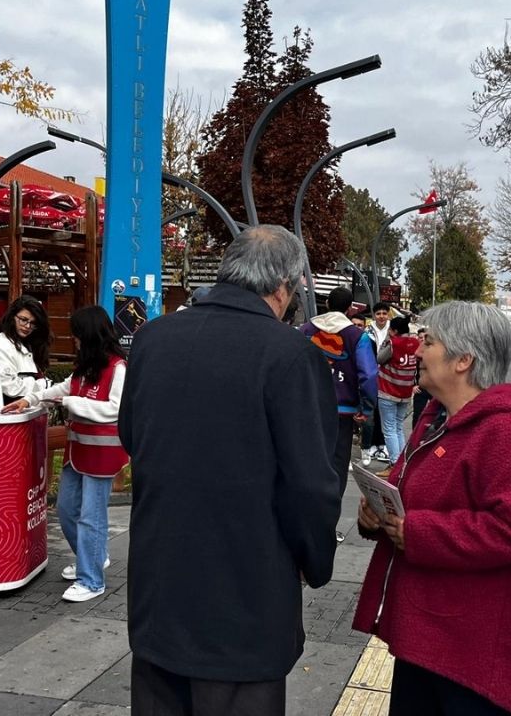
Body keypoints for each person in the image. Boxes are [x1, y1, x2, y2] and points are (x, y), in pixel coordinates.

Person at [119, 225, 342, 716]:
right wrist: (314, 561)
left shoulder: (152, 339)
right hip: (245, 594)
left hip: (161, 587)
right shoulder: (289, 355)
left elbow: (132, 437)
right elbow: (310, 484)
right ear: (284, 286)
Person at [352, 301, 511, 716]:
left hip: (475, 659)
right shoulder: (435, 419)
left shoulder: (509, 433)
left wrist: (417, 533)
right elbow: (401, 488)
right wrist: (376, 514)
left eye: (429, 342)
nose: (416, 351)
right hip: (430, 641)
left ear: (464, 360)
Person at [3, 305, 125, 602]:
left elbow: (115, 409)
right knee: (67, 509)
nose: (75, 341)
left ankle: (91, 579)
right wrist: (30, 399)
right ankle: (94, 556)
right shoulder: (86, 366)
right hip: (78, 450)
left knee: (90, 517)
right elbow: (61, 388)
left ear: (91, 335)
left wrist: (73, 404)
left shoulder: (118, 368)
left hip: (102, 455)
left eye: (78, 335)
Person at [300, 287, 378, 490]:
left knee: (306, 461)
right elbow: (369, 375)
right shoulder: (357, 337)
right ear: (350, 309)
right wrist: (366, 407)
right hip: (342, 412)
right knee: (336, 466)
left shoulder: (306, 330)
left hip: (308, 408)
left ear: (327, 304)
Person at [0, 294, 51, 405]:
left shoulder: (28, 345)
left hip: (21, 414)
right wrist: (43, 385)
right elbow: (9, 386)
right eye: (23, 320)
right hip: (2, 415)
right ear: (12, 316)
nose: (27, 326)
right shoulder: (0, 344)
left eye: (33, 323)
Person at [376, 316, 418, 466]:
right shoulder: (415, 343)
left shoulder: (393, 343)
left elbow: (380, 358)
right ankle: (402, 462)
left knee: (389, 429)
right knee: (398, 427)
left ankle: (395, 463)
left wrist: (387, 340)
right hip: (405, 392)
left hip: (388, 390)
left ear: (393, 331)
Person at [361, 302, 393, 464]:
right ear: (374, 315)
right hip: (371, 375)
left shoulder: (392, 331)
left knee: (384, 410)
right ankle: (372, 444)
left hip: (387, 377)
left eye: (384, 313)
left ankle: (382, 444)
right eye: (378, 313)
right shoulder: (368, 332)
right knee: (371, 409)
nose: (381, 316)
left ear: (388, 315)